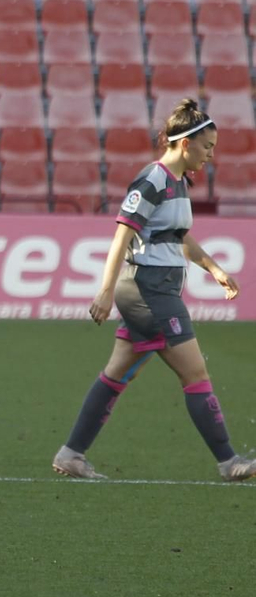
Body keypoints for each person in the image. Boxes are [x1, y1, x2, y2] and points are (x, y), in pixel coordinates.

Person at [53, 99, 253, 481]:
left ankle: (71, 454)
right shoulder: (154, 179)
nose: (211, 155)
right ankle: (229, 462)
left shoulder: (177, 182)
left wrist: (214, 268)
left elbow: (177, 237)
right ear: (184, 143)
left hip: (154, 289)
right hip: (148, 292)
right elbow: (121, 235)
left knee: (116, 373)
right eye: (207, 146)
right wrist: (104, 291)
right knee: (195, 374)